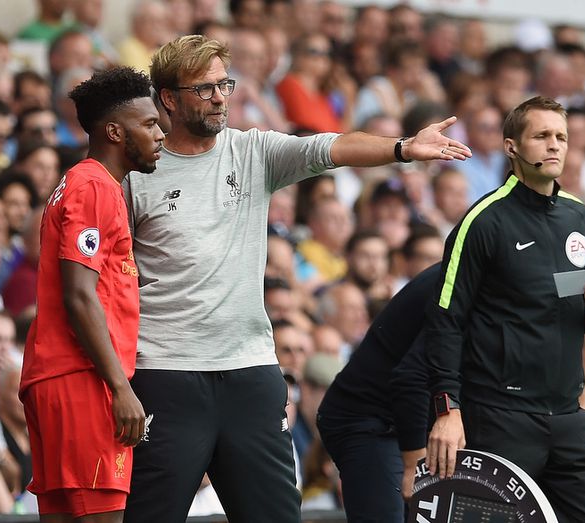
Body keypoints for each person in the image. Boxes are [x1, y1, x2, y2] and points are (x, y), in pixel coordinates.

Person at [122, 34, 471, 523]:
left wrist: (404, 148)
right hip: (165, 372)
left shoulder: (252, 151)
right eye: (204, 88)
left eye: (225, 84)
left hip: (251, 370)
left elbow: (333, 147)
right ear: (168, 99)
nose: (221, 96)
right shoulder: (134, 175)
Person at [424, 96, 585, 523]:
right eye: (542, 136)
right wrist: (447, 409)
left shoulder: (578, 216)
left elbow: (574, 307)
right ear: (512, 146)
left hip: (568, 417)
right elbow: (445, 320)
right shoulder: (484, 221)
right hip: (500, 417)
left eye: (561, 137)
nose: (554, 145)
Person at [18, 66, 164, 522]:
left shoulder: (81, 183)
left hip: (57, 376)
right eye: (150, 123)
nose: (160, 132)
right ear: (115, 131)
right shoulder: (95, 186)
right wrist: (120, 388)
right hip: (82, 379)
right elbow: (79, 295)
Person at [318, 262, 441, 522]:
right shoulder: (462, 278)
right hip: (371, 417)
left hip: (417, 422)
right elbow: (412, 377)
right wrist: (415, 467)